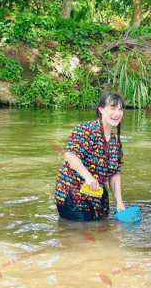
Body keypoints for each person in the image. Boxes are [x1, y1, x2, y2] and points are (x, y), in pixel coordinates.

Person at [54, 92, 126, 222]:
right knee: (79, 234)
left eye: (120, 109)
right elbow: (70, 154)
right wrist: (88, 177)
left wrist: (119, 202)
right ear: (101, 109)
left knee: (100, 230)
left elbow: (115, 175)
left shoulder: (115, 142)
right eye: (113, 108)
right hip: (73, 194)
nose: (117, 113)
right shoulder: (85, 130)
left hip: (97, 197)